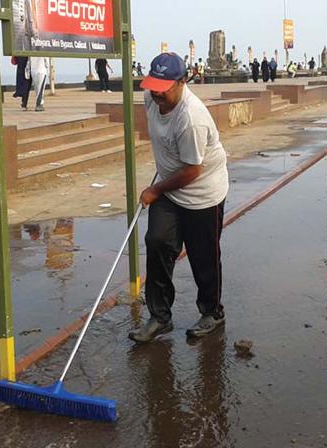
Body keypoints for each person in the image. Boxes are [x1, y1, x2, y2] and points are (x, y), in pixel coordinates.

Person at [127, 52, 229, 343]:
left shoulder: (191, 119)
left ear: (182, 82)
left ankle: (212, 312)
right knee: (157, 242)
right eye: (152, 85)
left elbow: (193, 171)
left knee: (203, 255)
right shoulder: (152, 97)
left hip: (201, 191)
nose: (156, 92)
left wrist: (155, 190)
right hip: (169, 185)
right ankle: (160, 317)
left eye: (164, 86)